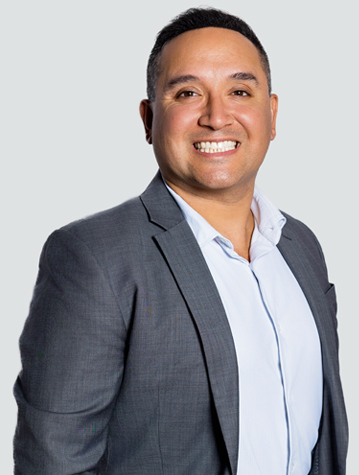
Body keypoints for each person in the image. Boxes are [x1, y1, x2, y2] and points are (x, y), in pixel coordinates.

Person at [13, 7, 348, 475]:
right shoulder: (93, 257)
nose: (216, 117)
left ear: (271, 115)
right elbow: (55, 462)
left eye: (239, 91)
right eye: (187, 92)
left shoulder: (302, 246)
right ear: (149, 119)